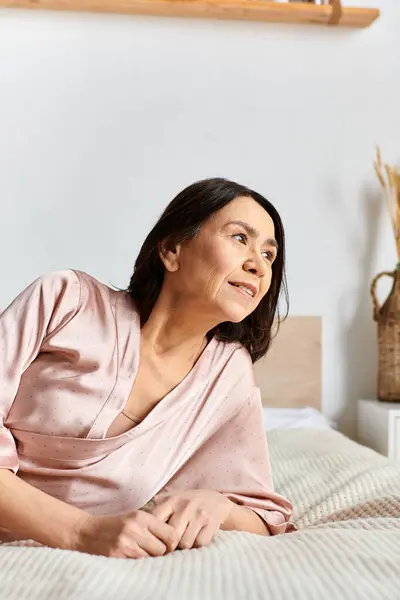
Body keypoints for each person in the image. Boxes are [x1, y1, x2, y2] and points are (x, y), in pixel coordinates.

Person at [0, 177, 294, 559]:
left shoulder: (227, 375)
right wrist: (81, 531)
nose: (258, 265)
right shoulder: (63, 301)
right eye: (240, 238)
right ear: (172, 249)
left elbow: (264, 516)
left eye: (269, 255)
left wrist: (218, 506)